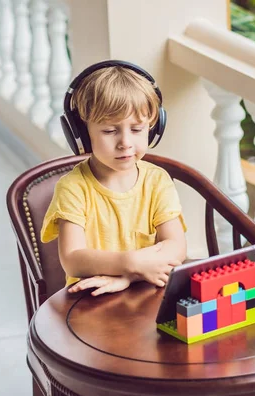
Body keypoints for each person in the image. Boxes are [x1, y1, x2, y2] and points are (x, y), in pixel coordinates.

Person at [40, 60, 187, 297]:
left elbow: (176, 247)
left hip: (146, 292)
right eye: (109, 131)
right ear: (81, 135)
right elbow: (73, 259)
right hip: (90, 300)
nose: (125, 142)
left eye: (137, 129)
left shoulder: (157, 180)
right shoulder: (73, 188)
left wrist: (129, 275)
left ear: (153, 126)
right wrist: (130, 263)